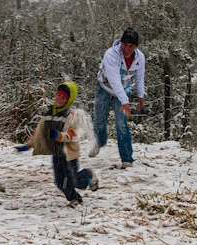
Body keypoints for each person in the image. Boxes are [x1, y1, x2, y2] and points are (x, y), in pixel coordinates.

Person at [16, 81, 98, 208]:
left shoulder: (71, 115)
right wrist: (28, 145)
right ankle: (74, 199)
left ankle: (88, 174)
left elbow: (76, 133)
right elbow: (39, 133)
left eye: (64, 97)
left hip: (69, 153)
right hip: (56, 153)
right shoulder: (49, 114)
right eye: (58, 95)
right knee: (60, 182)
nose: (59, 99)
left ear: (69, 100)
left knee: (73, 179)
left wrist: (61, 136)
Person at [89, 27, 145, 168]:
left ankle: (127, 158)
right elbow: (114, 79)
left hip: (124, 90)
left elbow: (139, 76)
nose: (127, 48)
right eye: (125, 44)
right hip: (105, 87)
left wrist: (140, 95)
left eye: (131, 46)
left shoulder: (140, 58)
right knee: (99, 119)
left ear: (136, 46)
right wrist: (125, 101)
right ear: (121, 43)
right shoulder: (111, 54)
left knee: (121, 124)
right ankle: (99, 141)